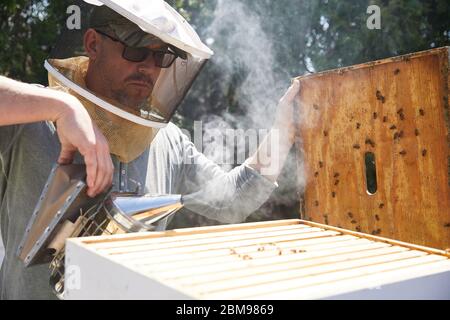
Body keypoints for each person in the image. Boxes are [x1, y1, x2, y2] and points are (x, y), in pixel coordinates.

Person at [0, 1, 300, 299]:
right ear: (93, 43)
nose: (149, 67)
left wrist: (283, 130)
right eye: (136, 49)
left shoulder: (169, 141)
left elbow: (231, 199)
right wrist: (62, 107)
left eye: (162, 57)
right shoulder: (35, 116)